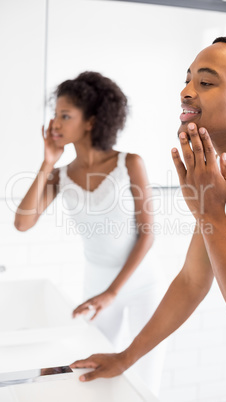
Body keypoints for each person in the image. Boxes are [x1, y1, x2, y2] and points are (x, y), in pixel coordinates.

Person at [70, 36, 226, 401]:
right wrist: (125, 358)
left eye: (205, 82)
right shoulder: (221, 178)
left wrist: (210, 213)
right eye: (187, 79)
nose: (186, 91)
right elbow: (193, 280)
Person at [14, 71, 166, 395]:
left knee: (145, 381)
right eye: (54, 114)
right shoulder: (59, 175)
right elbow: (22, 223)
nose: (55, 123)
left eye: (65, 115)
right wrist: (46, 163)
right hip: (95, 288)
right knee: (83, 374)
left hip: (142, 287)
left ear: (91, 121)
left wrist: (114, 292)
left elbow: (148, 234)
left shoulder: (130, 163)